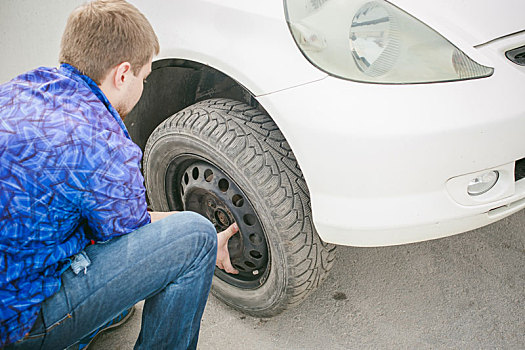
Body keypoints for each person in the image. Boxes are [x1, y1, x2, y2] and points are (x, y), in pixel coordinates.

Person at [0, 1, 239, 349]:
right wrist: (192, 223)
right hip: (17, 325)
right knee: (195, 236)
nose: (143, 86)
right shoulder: (102, 142)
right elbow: (129, 234)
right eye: (145, 77)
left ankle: (97, 316)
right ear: (123, 73)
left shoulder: (22, 87)